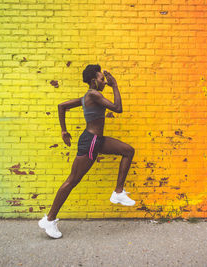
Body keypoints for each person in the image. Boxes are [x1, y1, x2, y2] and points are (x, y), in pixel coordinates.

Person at [38, 64, 136, 239]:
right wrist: (114, 85)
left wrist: (64, 131)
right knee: (72, 180)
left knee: (128, 151)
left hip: (97, 141)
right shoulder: (93, 94)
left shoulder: (87, 96)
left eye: (105, 80)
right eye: (101, 79)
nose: (104, 82)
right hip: (90, 142)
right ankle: (49, 219)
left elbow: (62, 106)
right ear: (93, 81)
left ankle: (118, 192)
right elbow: (118, 108)